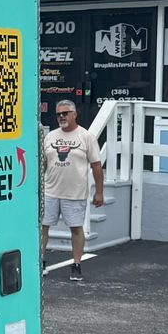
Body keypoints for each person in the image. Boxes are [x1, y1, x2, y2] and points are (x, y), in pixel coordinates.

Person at [41, 100, 105, 280]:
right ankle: (41, 261)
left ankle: (76, 264)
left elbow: (96, 166)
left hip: (75, 193)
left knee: (76, 229)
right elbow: (43, 164)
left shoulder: (86, 137)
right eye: (58, 114)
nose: (61, 117)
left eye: (65, 113)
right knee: (43, 227)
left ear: (74, 114)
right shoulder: (50, 137)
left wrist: (99, 192)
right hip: (50, 191)